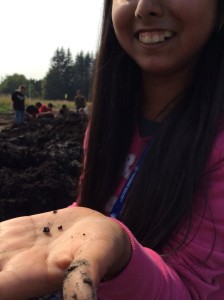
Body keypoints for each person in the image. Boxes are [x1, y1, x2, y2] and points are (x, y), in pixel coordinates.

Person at [0, 1, 224, 299]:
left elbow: (196, 291)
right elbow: (93, 207)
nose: (145, 7)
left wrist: (120, 255)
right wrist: (69, 230)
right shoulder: (107, 122)